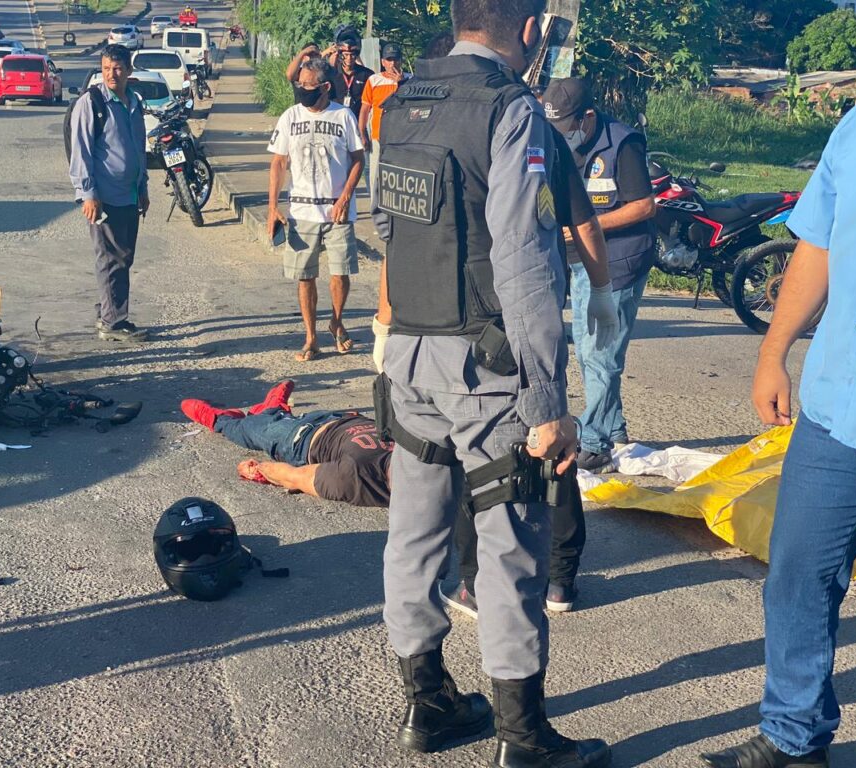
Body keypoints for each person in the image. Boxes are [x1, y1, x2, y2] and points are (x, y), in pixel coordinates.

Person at [376, 1, 615, 765]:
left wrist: (393, 336)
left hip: (410, 357)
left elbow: (389, 229)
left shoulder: (402, 100)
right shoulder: (512, 110)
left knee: (414, 535)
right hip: (487, 369)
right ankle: (522, 736)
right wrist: (549, 401)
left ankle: (427, 705)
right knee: (511, 548)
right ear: (532, 30)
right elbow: (524, 257)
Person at [699, 31, 856, 768]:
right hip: (838, 414)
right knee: (797, 579)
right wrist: (772, 352)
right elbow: (817, 246)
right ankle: (793, 738)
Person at [542, 77, 657, 473]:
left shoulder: (623, 143)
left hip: (619, 260)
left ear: (588, 116)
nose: (563, 135)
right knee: (590, 351)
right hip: (577, 258)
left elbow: (644, 206)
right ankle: (614, 427)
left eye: (568, 126)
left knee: (599, 353)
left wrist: (585, 226)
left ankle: (595, 444)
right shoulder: (555, 141)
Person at [266, 57, 364, 363]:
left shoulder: (343, 116)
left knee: (340, 273)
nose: (302, 90)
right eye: (300, 84)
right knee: (305, 276)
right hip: (302, 212)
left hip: (337, 211)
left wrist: (345, 197)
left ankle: (336, 321)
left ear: (325, 87)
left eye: (308, 85)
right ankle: (310, 337)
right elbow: (278, 162)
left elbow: (358, 159)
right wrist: (272, 206)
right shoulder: (290, 116)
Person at [180, 381, 392, 508]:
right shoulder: (413, 452)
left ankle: (219, 419)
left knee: (248, 429)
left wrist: (260, 470)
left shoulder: (354, 477)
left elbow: (293, 476)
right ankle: (273, 409)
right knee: (272, 420)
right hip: (344, 417)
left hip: (301, 439)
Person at [69, 44, 150, 342]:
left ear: (129, 70)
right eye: (105, 69)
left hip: (129, 195)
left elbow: (138, 149)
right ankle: (113, 323)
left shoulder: (134, 102)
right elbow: (80, 151)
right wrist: (87, 194)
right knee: (109, 258)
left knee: (124, 257)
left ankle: (108, 310)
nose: (111, 74)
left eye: (117, 68)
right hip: (104, 197)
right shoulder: (92, 103)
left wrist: (143, 187)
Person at [359, 42, 408, 203]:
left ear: (401, 61)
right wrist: (362, 133)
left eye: (396, 59)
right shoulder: (374, 80)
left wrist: (401, 84)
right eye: (389, 60)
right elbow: (365, 109)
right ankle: (376, 206)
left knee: (400, 173)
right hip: (378, 135)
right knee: (375, 174)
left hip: (402, 137)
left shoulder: (410, 79)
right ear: (383, 62)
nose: (392, 64)